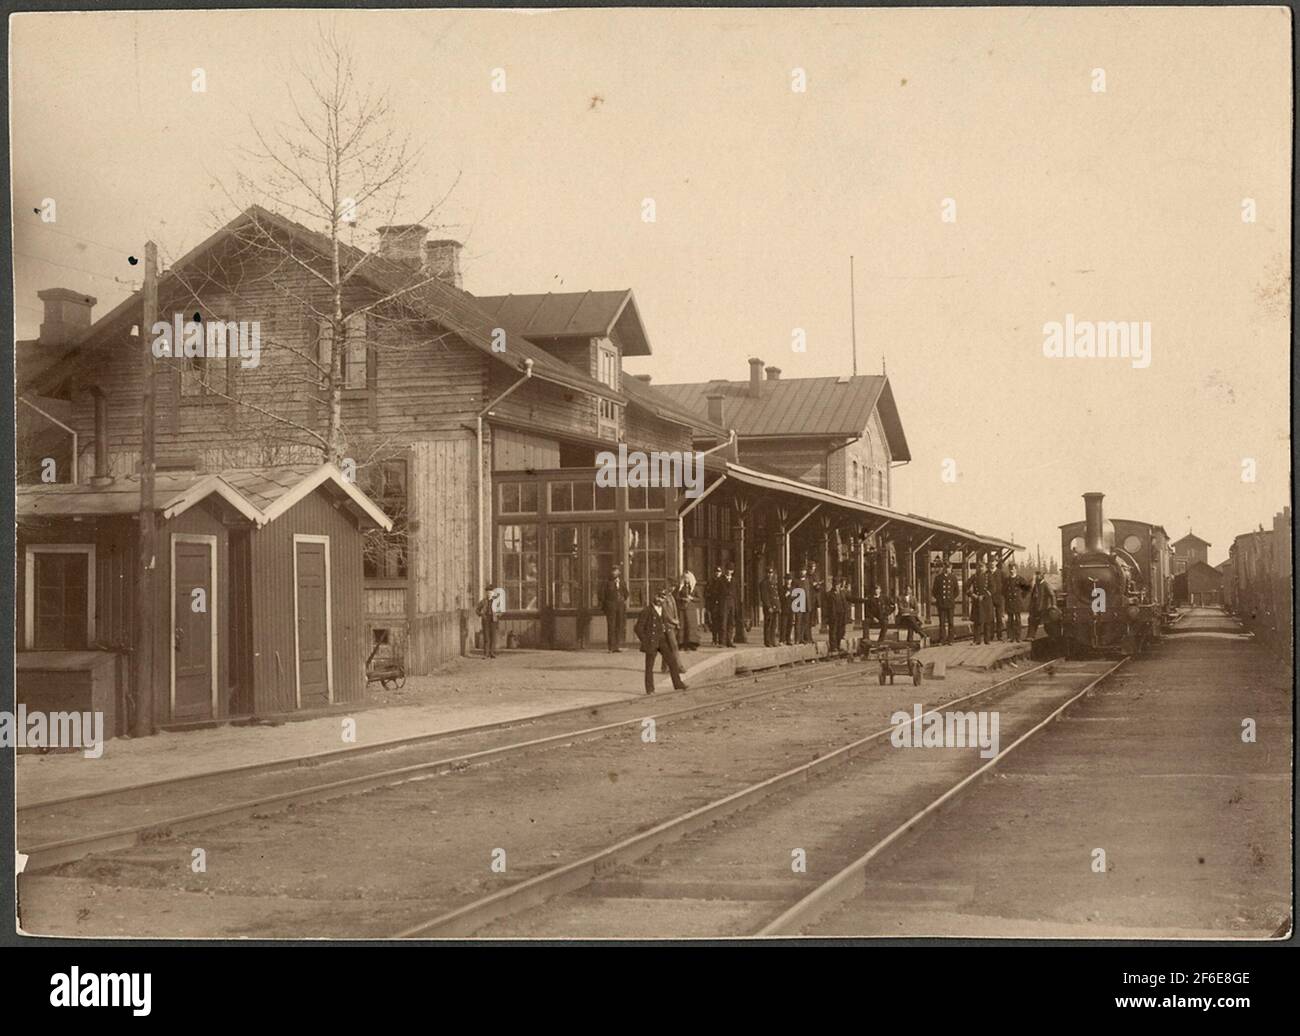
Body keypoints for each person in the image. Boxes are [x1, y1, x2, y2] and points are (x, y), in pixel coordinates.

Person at [634, 589, 688, 694]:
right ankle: (650, 689)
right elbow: (638, 628)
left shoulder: (662, 610)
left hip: (662, 640)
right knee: (649, 667)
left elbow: (665, 623)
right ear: (654, 597)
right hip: (651, 641)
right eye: (658, 597)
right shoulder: (646, 611)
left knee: (672, 662)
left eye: (663, 598)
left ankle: (678, 684)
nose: (660, 600)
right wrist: (645, 641)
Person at [601, 565, 629, 652]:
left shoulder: (622, 582)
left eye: (616, 571)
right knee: (611, 626)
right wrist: (607, 604)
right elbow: (601, 595)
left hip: (620, 607)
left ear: (619, 572)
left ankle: (616, 646)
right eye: (613, 571)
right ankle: (611, 647)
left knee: (618, 626)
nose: (614, 572)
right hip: (610, 607)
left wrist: (622, 600)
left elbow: (626, 593)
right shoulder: (607, 582)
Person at [932, 558, 960, 645]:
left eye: (948, 567)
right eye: (945, 567)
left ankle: (951, 639)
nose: (947, 569)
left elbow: (956, 591)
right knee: (942, 623)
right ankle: (942, 639)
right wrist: (939, 599)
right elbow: (934, 591)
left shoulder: (953, 578)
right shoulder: (938, 578)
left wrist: (951, 598)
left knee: (951, 622)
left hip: (950, 603)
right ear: (943, 567)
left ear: (951, 568)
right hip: (941, 603)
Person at [968, 560, 995, 645]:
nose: (980, 569)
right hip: (977, 602)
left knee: (987, 621)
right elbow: (966, 586)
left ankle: (987, 640)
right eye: (979, 567)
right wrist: (972, 595)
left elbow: (993, 588)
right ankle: (977, 640)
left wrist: (984, 596)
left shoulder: (989, 576)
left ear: (985, 567)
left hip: (986, 602)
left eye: (982, 567)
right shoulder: (974, 577)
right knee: (977, 621)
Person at [676, 571, 702, 650]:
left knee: (691, 626)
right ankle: (682, 643)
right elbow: (676, 597)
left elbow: (700, 598)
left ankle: (692, 643)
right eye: (685, 578)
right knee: (683, 625)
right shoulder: (680, 587)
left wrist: (692, 598)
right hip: (682, 609)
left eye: (687, 578)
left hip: (691, 610)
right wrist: (682, 599)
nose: (686, 580)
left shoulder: (694, 588)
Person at [1026, 568, 1053, 640]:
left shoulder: (1045, 585)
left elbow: (1052, 595)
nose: (1037, 576)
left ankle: (1051, 636)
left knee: (1047, 623)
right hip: (1035, 607)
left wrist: (1053, 606)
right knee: (1032, 621)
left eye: (1039, 575)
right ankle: (1030, 636)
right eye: (1037, 575)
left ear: (1042, 576)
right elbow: (1032, 595)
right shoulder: (1035, 585)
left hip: (1043, 608)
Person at [475, 583, 500, 660]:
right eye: (488, 592)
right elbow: (477, 610)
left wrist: (497, 615)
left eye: (491, 592)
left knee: (493, 637)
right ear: (486, 593)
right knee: (486, 637)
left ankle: (492, 653)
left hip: (493, 620)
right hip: (486, 620)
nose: (489, 594)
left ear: (493, 593)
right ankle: (486, 654)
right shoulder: (483, 601)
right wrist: (481, 615)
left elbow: (501, 611)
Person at [758, 566, 781, 647]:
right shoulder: (763, 583)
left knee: (774, 624)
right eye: (768, 573)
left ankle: (772, 640)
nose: (770, 574)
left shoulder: (773, 582)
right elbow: (764, 597)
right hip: (769, 607)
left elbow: (776, 595)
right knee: (768, 624)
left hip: (775, 606)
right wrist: (768, 606)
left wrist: (778, 606)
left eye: (771, 573)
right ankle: (767, 641)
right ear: (765, 573)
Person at [1003, 562, 1025, 642]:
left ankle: (1018, 637)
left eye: (1013, 569)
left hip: (1017, 602)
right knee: (1010, 620)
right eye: (1010, 569)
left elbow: (1026, 590)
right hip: (1009, 602)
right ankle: (1010, 637)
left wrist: (1021, 597)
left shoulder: (1020, 579)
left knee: (1018, 620)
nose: (1011, 571)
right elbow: (1004, 591)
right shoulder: (1007, 580)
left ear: (1016, 569)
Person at [718, 563, 739, 647]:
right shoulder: (721, 580)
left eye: (730, 570)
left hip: (732, 603)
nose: (728, 571)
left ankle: (729, 641)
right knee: (723, 622)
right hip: (723, 603)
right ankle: (722, 642)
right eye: (727, 569)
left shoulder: (734, 580)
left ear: (732, 571)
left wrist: (736, 605)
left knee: (731, 623)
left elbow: (737, 593)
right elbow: (717, 592)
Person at [706, 565, 725, 646]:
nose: (717, 573)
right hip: (713, 604)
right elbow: (707, 592)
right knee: (714, 623)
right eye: (716, 572)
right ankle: (714, 639)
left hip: (721, 604)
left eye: (719, 572)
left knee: (721, 622)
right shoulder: (711, 581)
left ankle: (721, 639)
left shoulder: (723, 581)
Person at [796, 566, 814, 644]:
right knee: (798, 622)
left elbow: (809, 593)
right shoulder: (796, 581)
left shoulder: (807, 581)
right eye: (801, 571)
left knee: (805, 622)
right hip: (799, 604)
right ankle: (797, 638)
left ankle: (803, 637)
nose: (802, 572)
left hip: (807, 604)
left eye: (803, 571)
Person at [990, 559, 1005, 641]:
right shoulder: (987, 573)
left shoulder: (1001, 573)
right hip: (989, 598)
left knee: (999, 617)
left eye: (994, 561)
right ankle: (991, 635)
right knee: (990, 617)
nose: (992, 563)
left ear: (996, 563)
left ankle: (1000, 635)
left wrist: (1002, 594)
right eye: (991, 561)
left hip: (999, 598)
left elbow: (1005, 583)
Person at [780, 574, 796, 645]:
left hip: (791, 609)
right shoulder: (782, 588)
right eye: (787, 580)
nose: (788, 581)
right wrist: (785, 595)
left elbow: (795, 599)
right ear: (785, 580)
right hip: (784, 608)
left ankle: (788, 639)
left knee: (790, 624)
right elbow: (780, 598)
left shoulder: (793, 589)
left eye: (789, 580)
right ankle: (782, 639)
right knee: (783, 624)